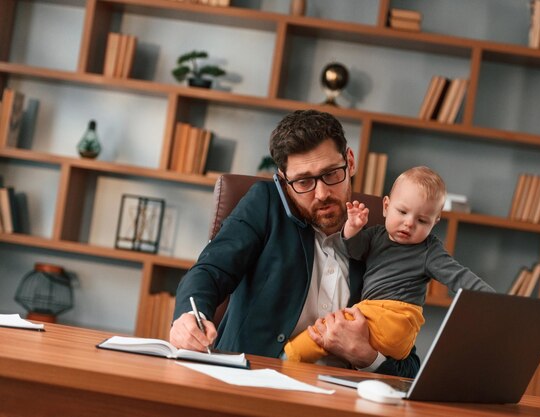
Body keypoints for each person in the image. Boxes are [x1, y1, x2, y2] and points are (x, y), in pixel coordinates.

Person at [170, 109, 419, 377]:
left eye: (331, 174)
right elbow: (211, 270)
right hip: (253, 386)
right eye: (303, 181)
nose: (322, 193)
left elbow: (409, 366)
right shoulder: (265, 205)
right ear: (284, 180)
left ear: (350, 161)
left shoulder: (383, 241)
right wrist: (187, 317)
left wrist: (366, 356)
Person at [284, 166, 494, 363]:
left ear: (435, 222)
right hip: (383, 324)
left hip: (394, 318)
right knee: (336, 338)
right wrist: (352, 228)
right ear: (386, 206)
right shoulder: (376, 235)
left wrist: (494, 301)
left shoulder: (429, 249)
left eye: (422, 221)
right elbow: (353, 250)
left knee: (329, 327)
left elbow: (459, 277)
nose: (409, 223)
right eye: (402, 212)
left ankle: (288, 357)